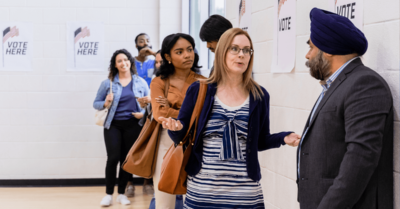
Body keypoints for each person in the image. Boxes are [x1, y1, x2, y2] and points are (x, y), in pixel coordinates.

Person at [159, 28, 300, 208]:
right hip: (203, 193)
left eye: (246, 50)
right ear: (222, 52)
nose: (241, 55)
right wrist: (175, 128)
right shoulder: (199, 90)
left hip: (246, 195)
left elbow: (260, 141)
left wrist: (283, 138)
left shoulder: (259, 95)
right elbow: (183, 135)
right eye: (234, 49)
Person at [296, 8, 393, 209]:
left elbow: (360, 160)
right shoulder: (337, 84)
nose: (307, 55)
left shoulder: (364, 83)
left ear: (328, 49)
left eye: (312, 47)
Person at [150, 33, 205, 209]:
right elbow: (160, 115)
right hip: (167, 143)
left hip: (198, 143)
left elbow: (203, 116)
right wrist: (188, 112)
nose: (187, 55)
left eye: (190, 49)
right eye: (179, 52)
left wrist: (172, 109)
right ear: (168, 57)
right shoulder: (159, 82)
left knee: (197, 200)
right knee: (164, 201)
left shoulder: (204, 82)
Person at [93, 49, 150, 207]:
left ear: (130, 62)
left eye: (126, 60)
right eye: (119, 61)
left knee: (126, 160)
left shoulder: (141, 82)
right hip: (113, 125)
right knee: (113, 159)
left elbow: (150, 104)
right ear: (115, 65)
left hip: (133, 124)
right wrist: (105, 103)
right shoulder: (108, 83)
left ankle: (122, 194)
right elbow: (95, 103)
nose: (123, 63)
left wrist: (143, 113)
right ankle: (109, 194)